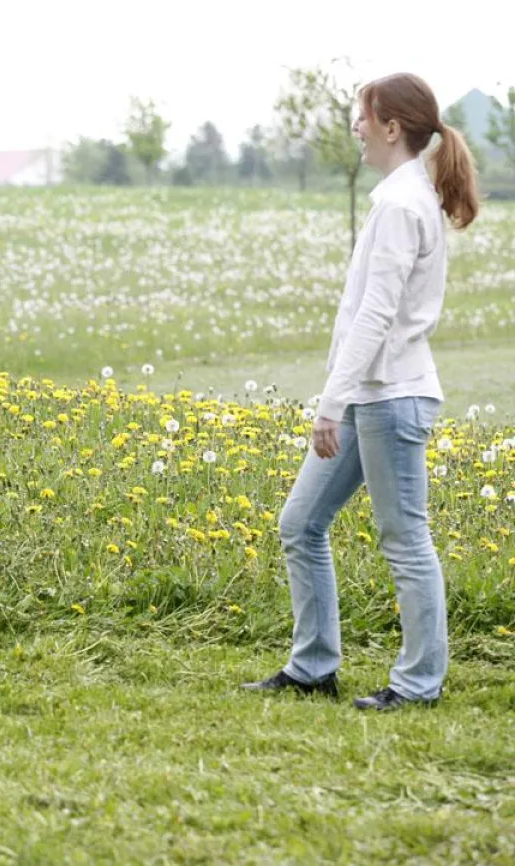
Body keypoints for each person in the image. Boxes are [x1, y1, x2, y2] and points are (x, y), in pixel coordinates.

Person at [242, 73, 480, 711]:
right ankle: (314, 666)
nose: (355, 126)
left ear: (391, 127)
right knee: (301, 523)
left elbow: (376, 318)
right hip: (371, 397)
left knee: (405, 539)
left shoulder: (401, 206)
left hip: (391, 398)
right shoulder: (397, 198)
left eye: (361, 116)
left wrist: (329, 404)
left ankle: (418, 683)